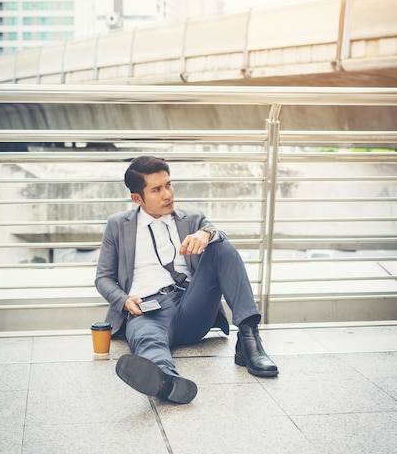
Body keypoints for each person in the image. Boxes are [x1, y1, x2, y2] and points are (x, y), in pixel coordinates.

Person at [95, 155, 278, 404]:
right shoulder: (118, 225)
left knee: (220, 246)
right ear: (137, 198)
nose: (167, 194)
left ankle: (249, 340)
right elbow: (103, 278)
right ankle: (166, 381)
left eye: (168, 185)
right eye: (157, 190)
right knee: (147, 341)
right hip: (147, 309)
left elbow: (217, 232)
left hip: (192, 304)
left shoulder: (191, 219)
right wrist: (124, 300)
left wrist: (206, 234)